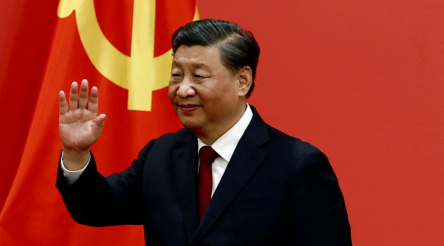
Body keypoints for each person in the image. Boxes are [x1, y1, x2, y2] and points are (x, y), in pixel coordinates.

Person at [56, 19, 352, 245]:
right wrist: (76, 152)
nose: (183, 89)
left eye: (198, 76)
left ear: (242, 81)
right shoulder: (161, 155)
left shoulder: (296, 165)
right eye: (176, 75)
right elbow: (97, 208)